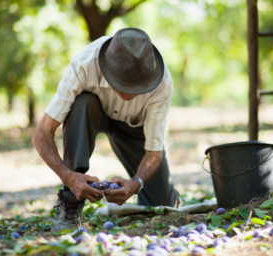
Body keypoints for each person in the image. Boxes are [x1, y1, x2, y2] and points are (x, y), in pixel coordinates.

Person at [32, 28, 181, 232]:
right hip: (92, 113)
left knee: (162, 206)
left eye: (137, 86)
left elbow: (154, 153)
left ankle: (170, 193)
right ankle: (70, 203)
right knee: (82, 103)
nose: (131, 91)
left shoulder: (161, 82)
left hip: (134, 128)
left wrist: (135, 184)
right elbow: (42, 133)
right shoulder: (84, 65)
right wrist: (68, 177)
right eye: (124, 84)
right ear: (107, 70)